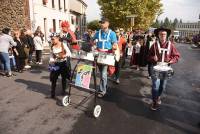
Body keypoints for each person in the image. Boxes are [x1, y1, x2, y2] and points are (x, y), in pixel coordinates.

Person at [147, 27, 180, 111]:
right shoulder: (154, 45)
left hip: (166, 67)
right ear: (158, 35)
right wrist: (152, 58)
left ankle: (158, 96)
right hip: (155, 67)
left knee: (163, 86)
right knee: (155, 86)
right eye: (161, 34)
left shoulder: (171, 45)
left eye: (164, 34)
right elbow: (148, 56)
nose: (163, 36)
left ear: (167, 35)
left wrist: (172, 60)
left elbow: (177, 56)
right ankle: (154, 102)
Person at [93, 18, 118, 97]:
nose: (101, 24)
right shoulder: (97, 32)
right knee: (101, 73)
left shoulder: (112, 33)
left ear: (107, 24)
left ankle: (102, 90)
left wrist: (114, 47)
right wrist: (93, 43)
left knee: (103, 74)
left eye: (103, 23)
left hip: (107, 55)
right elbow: (92, 41)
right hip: (98, 54)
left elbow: (114, 43)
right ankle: (104, 85)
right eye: (101, 23)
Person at [49, 33, 71, 98]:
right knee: (53, 79)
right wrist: (51, 60)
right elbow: (51, 56)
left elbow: (69, 53)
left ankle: (63, 90)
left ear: (58, 38)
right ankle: (52, 93)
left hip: (63, 63)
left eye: (53, 39)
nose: (52, 40)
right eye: (51, 39)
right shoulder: (52, 46)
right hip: (56, 64)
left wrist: (64, 56)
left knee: (64, 78)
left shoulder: (63, 45)